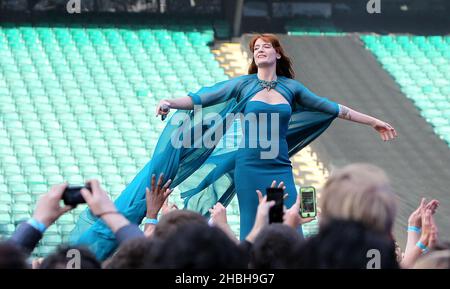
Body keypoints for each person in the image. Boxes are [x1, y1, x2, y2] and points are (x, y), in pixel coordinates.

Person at [70, 33, 397, 260]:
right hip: (250, 169)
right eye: (255, 47)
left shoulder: (292, 88)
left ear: (277, 54)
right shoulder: (243, 85)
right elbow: (203, 97)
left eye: (266, 46)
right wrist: (170, 101)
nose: (260, 50)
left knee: (287, 227)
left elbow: (333, 108)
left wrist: (373, 121)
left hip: (279, 167)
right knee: (254, 228)